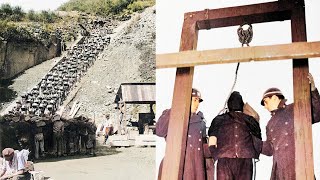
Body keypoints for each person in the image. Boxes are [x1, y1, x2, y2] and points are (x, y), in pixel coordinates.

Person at [260, 73, 320, 179]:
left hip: (299, 166)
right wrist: (251, 140)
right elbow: (270, 149)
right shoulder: (270, 124)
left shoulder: (294, 109)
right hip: (280, 172)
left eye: (265, 101)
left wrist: (313, 90)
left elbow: (317, 114)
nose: (265, 106)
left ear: (274, 97)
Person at [156, 88, 213, 180]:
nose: (197, 104)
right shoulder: (173, 115)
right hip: (176, 165)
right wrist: (175, 108)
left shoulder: (201, 122)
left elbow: (202, 147)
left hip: (196, 168)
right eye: (194, 100)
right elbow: (159, 131)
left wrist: (213, 146)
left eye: (198, 101)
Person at [208, 91, 262, 180]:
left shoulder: (219, 119)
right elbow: (257, 140)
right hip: (246, 158)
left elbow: (212, 139)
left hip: (224, 158)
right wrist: (254, 155)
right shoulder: (249, 119)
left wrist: (216, 155)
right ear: (242, 104)